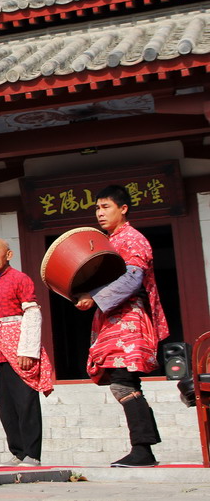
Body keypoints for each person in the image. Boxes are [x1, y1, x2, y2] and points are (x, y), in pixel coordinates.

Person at [74, 184, 169, 467]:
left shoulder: (133, 239)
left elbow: (132, 279)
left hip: (129, 317)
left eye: (106, 207)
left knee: (123, 382)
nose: (99, 213)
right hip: (112, 318)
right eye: (97, 208)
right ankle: (144, 449)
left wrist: (95, 297)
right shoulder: (108, 241)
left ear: (123, 209)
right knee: (124, 383)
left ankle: (143, 449)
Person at [0, 238, 54, 467]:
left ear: (8, 255)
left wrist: (28, 350)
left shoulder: (20, 279)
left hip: (18, 347)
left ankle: (33, 454)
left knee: (26, 401)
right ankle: (18, 451)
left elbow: (32, 313)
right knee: (6, 405)